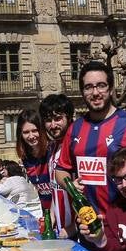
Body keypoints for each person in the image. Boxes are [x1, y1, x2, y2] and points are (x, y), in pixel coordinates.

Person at [52, 60, 126, 227]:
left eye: (101, 85)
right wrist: (70, 185)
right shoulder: (75, 129)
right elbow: (61, 169)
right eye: (88, 87)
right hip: (89, 225)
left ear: (111, 89)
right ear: (82, 92)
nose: (95, 92)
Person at [39, 92, 76, 236]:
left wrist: (71, 230)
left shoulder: (75, 147)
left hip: (78, 235)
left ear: (69, 117)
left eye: (58, 118)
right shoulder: (53, 147)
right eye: (48, 120)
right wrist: (51, 218)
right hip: (60, 231)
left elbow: (91, 195)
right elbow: (56, 189)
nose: (53, 125)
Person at [16, 110, 52, 196]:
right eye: (26, 132)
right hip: (43, 207)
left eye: (35, 130)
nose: (31, 136)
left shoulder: (52, 151)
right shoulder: (25, 157)